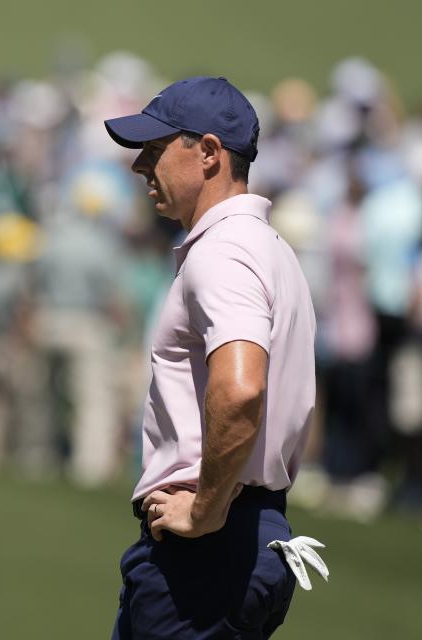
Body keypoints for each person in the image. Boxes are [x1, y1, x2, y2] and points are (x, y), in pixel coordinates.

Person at [103, 77, 318, 638]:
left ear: (207, 153)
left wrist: (205, 509)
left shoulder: (223, 251)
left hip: (211, 547)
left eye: (153, 151)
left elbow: (242, 386)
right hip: (252, 528)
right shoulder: (268, 248)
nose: (139, 168)